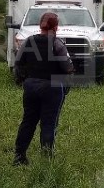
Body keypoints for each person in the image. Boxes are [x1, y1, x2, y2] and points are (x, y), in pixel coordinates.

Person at [12, 12, 73, 165]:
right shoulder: (57, 43)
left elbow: (18, 63)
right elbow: (67, 67)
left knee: (28, 121)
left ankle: (19, 157)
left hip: (31, 85)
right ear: (56, 27)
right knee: (49, 123)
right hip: (52, 87)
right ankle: (47, 160)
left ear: (40, 25)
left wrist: (25, 80)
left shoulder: (29, 41)